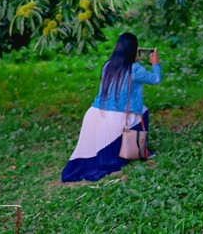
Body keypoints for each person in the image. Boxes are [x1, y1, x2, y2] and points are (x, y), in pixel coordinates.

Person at [62, 32, 161, 182]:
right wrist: (155, 63)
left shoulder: (108, 65)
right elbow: (156, 79)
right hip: (116, 117)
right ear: (133, 50)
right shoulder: (135, 69)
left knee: (142, 109)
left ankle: (137, 149)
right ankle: (142, 150)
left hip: (94, 113)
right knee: (144, 111)